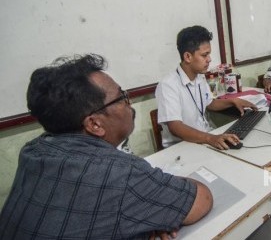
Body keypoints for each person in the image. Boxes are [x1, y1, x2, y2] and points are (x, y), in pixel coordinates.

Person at [0, 54, 213, 239]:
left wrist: (143, 217)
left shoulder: (33, 151)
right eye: (122, 97)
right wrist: (151, 208)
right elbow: (200, 198)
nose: (129, 104)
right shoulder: (119, 173)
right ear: (94, 124)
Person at [156, 25, 256, 149]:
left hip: (204, 138)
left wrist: (232, 101)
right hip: (182, 147)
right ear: (188, 57)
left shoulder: (199, 76)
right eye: (204, 55)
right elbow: (175, 127)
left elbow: (209, 103)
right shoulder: (168, 85)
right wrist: (210, 139)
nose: (209, 59)